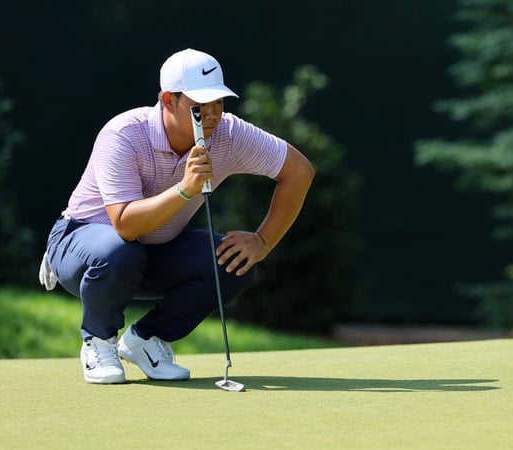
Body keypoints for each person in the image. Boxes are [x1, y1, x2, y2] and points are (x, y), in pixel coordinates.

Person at [37, 48, 315, 384]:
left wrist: (261, 242)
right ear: (169, 101)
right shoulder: (124, 133)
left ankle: (145, 340)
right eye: (200, 105)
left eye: (218, 102)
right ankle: (98, 340)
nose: (212, 114)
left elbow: (299, 172)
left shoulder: (229, 133)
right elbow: (125, 225)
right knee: (119, 251)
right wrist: (184, 189)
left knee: (234, 264)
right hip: (83, 242)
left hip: (152, 249)